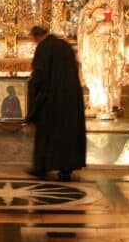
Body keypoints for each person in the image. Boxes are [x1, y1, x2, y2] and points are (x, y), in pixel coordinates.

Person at [25, 25, 87, 181]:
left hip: (51, 98)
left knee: (48, 132)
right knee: (67, 132)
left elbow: (40, 74)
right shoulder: (65, 46)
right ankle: (66, 169)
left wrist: (32, 93)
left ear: (36, 36)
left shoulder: (43, 48)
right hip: (71, 97)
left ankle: (42, 166)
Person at [77, 0, 125, 119]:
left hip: (108, 42)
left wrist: (97, 15)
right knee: (95, 72)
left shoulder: (115, 1)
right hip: (94, 44)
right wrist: (95, 12)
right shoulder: (91, 3)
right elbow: (87, 25)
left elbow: (115, 22)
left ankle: (109, 103)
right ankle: (96, 103)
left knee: (107, 72)